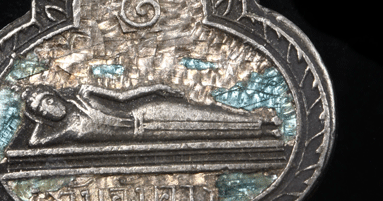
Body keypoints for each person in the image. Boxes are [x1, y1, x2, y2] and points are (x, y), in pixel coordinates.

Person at [21, 83, 272, 147]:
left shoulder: (85, 93)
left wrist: (156, 88)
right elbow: (35, 142)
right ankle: (260, 132)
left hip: (146, 112)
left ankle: (263, 123)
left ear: (56, 95)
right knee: (206, 129)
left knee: (207, 115)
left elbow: (123, 96)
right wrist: (36, 117)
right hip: (145, 133)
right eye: (43, 111)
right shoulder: (68, 130)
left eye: (49, 101)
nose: (49, 109)